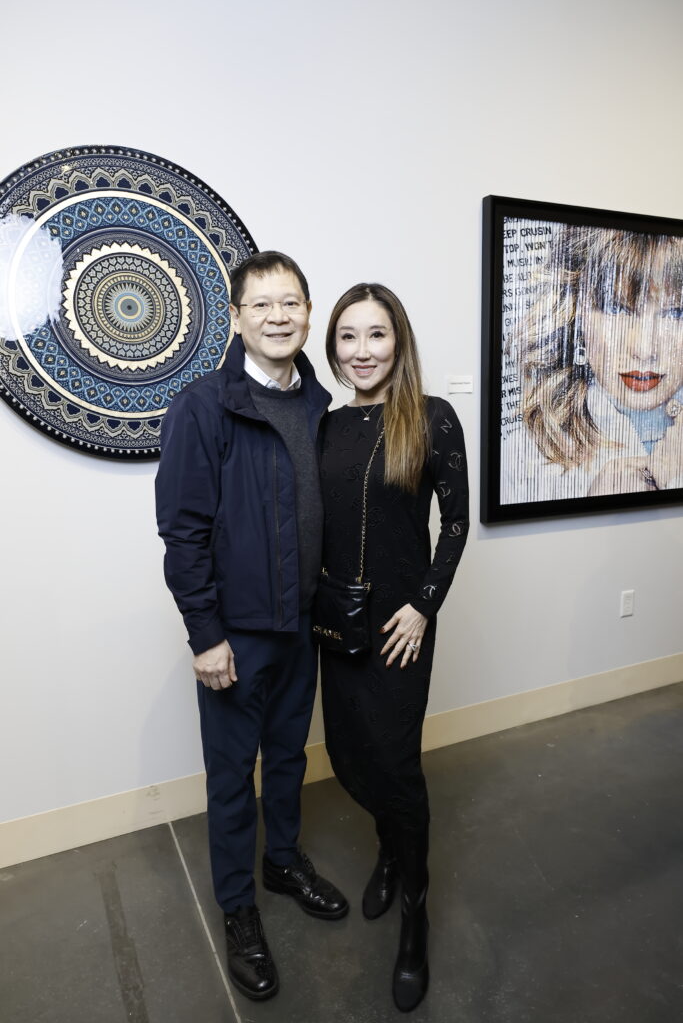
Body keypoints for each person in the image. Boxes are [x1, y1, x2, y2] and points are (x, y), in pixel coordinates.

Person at [155, 251, 348, 1002]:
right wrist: (206, 636)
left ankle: (283, 862)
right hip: (237, 632)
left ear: (307, 313)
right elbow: (183, 531)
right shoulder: (204, 406)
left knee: (292, 759)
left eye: (291, 303)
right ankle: (239, 909)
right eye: (261, 305)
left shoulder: (317, 404)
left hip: (302, 625)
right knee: (234, 779)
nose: (278, 317)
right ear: (236, 318)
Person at [318, 283, 469, 1012]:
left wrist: (423, 606)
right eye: (348, 336)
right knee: (350, 758)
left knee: (396, 765)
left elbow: (457, 524)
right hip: (338, 624)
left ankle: (415, 911)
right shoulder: (324, 427)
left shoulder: (431, 418)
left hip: (401, 627)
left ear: (398, 341)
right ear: (332, 346)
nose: (361, 351)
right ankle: (386, 849)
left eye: (375, 335)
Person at [501, 226, 683, 503]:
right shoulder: (526, 455)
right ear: (576, 311)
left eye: (675, 312)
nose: (645, 350)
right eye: (616, 309)